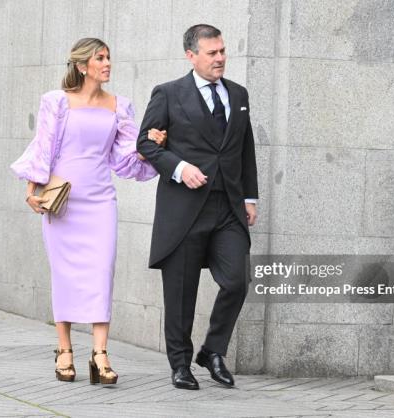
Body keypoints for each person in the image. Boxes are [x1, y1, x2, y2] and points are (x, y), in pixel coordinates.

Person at [10, 38, 165, 385]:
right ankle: (64, 349)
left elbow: (124, 157)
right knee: (63, 274)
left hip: (100, 200)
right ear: (82, 66)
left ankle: (100, 354)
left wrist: (150, 145)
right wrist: (31, 191)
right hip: (63, 199)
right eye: (100, 58)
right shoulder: (56, 102)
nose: (107, 63)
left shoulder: (119, 106)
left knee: (101, 272)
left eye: (109, 57)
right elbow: (43, 148)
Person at [136, 24, 259, 390]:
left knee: (237, 280)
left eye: (222, 51)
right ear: (191, 56)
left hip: (228, 207)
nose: (220, 58)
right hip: (185, 209)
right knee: (181, 292)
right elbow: (146, 143)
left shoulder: (238, 94)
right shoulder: (168, 94)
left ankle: (213, 351)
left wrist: (249, 197)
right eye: (212, 53)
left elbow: (245, 147)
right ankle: (180, 364)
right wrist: (179, 168)